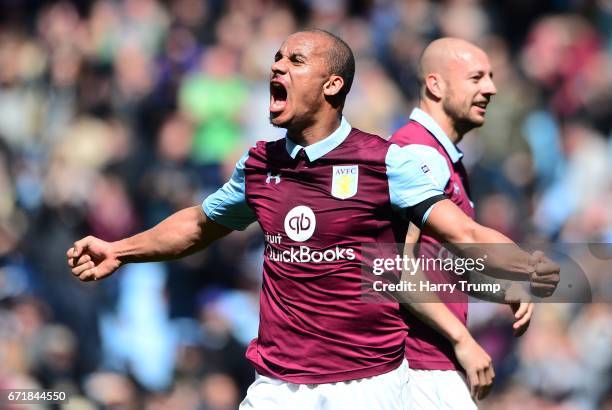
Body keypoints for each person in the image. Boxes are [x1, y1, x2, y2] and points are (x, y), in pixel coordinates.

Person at [67, 30, 557, 409]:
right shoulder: (260, 164)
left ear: (332, 84)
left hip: (368, 386)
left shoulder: (386, 161)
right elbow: (199, 224)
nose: (277, 66)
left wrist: (521, 269)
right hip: (277, 386)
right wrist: (119, 250)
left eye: (295, 61)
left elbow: (462, 235)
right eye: (278, 59)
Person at [390, 37, 538, 409]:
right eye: (476, 77)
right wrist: (462, 339)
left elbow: (437, 261)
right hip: (413, 368)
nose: (491, 88)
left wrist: (498, 287)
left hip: (431, 366)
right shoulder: (416, 154)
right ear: (435, 84)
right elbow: (395, 268)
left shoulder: (445, 158)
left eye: (490, 76)